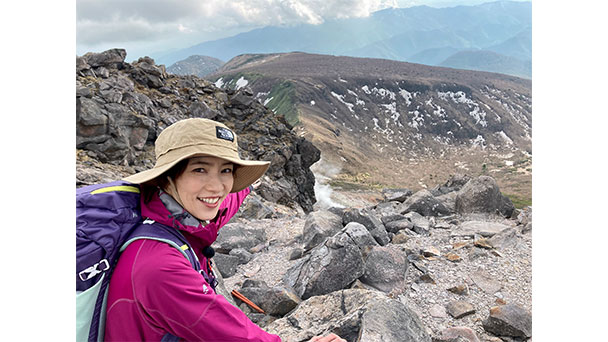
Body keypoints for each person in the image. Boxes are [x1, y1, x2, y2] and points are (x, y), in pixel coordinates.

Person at [104, 118, 345, 342]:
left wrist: (247, 187)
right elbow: (233, 334)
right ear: (166, 178)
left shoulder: (177, 217)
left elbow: (226, 203)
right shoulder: (159, 266)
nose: (217, 186)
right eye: (199, 169)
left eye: (226, 170)